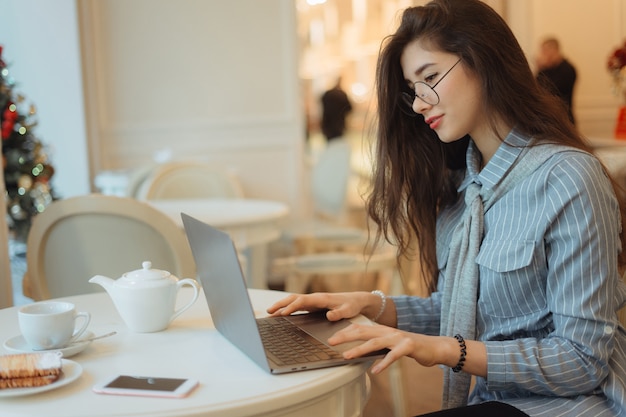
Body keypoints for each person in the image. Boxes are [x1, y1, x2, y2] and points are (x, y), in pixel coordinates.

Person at [268, 1, 626, 416]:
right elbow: (459, 309)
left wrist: (444, 350)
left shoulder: (566, 178)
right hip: (496, 399)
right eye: (413, 89)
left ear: (484, 59)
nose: (420, 104)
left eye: (431, 77)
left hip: (567, 406)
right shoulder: (464, 189)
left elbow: (582, 360)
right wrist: (373, 305)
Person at [536, 37, 577, 124]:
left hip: (565, 118)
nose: (542, 54)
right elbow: (535, 88)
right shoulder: (545, 70)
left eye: (544, 51)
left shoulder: (567, 69)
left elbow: (552, 90)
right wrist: (539, 69)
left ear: (553, 50)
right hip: (549, 118)